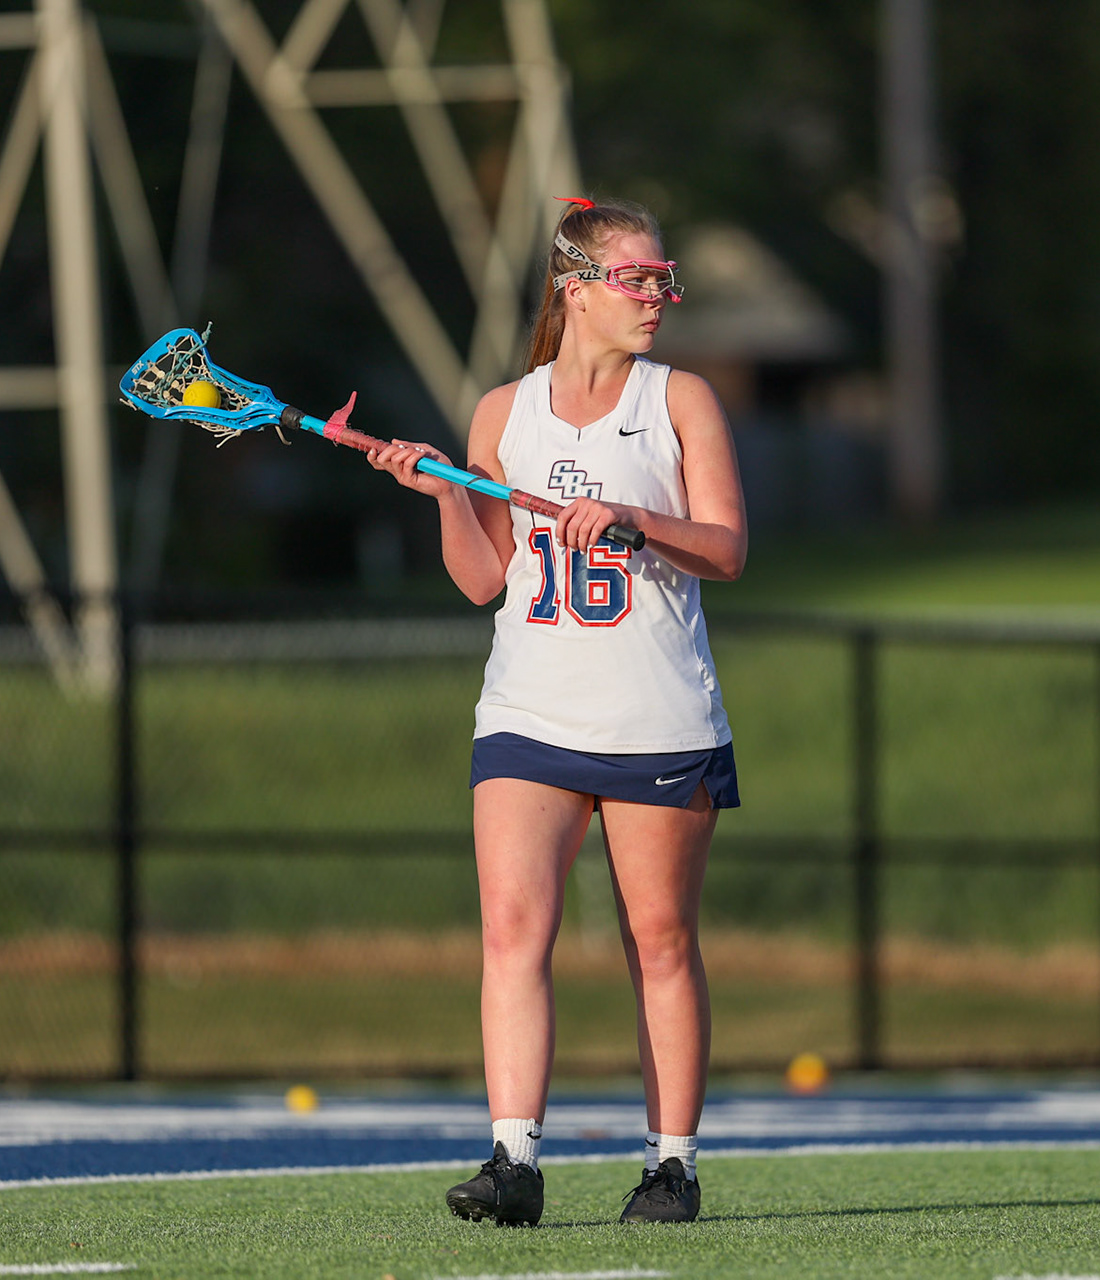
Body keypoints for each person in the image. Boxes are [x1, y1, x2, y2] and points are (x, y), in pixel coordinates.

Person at [366, 196, 746, 1227]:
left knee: (658, 939)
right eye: (639, 279)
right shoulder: (505, 411)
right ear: (575, 290)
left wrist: (632, 515)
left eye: (665, 279)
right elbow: (483, 580)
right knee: (512, 929)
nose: (659, 296)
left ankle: (673, 1166)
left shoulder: (680, 401)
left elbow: (726, 546)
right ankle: (512, 1159)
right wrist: (447, 494)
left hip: (656, 717)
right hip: (529, 710)